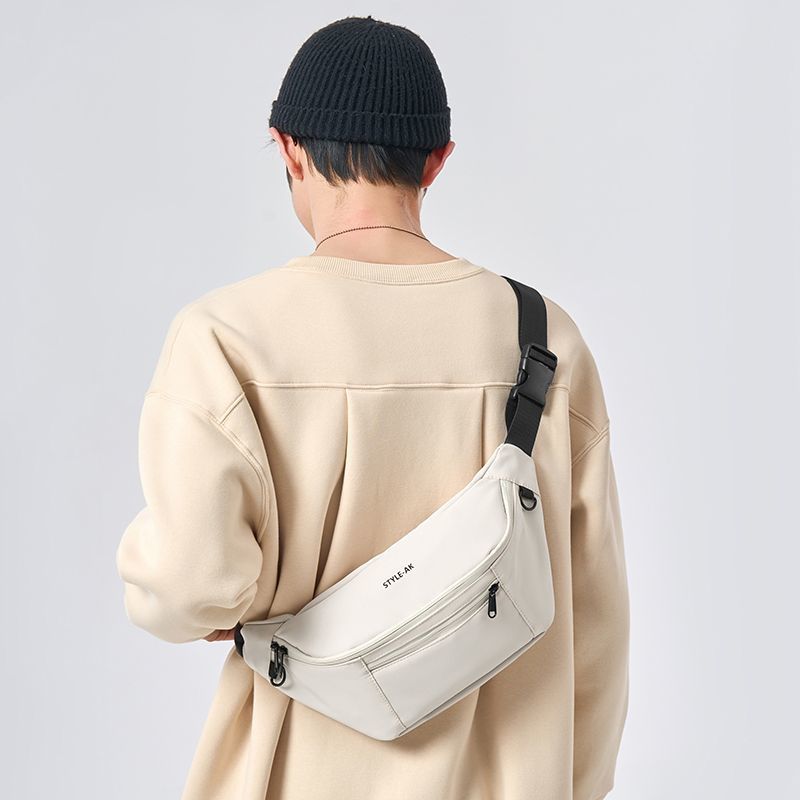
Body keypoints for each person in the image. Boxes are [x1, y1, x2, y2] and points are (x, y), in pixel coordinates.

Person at [115, 14, 629, 800]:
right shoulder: (545, 339)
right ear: (438, 159)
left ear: (288, 149)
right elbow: (595, 624)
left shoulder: (228, 337)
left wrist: (191, 587)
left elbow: (189, 581)